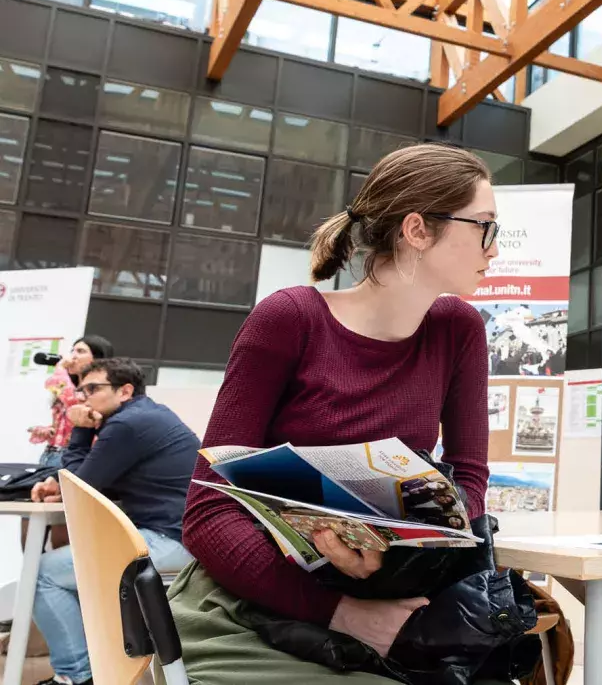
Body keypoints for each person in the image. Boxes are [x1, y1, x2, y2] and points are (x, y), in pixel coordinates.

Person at [169, 143, 508, 684]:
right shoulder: (290, 319)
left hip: (384, 598)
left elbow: (469, 478)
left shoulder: (458, 329)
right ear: (417, 230)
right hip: (250, 605)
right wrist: (343, 613)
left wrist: (402, 547)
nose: (495, 246)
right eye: (485, 226)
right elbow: (207, 512)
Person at [29, 358, 198, 685]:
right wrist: (58, 484)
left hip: (172, 542)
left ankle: (77, 677)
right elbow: (93, 480)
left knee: (43, 573)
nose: (84, 399)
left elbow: (79, 485)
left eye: (93, 389)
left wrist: (80, 430)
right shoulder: (147, 416)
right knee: (68, 570)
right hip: (182, 537)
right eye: (81, 391)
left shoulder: (126, 425)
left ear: (125, 391)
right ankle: (96, 669)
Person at [26, 335, 114, 468]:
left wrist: (60, 368)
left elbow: (73, 402)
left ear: (98, 359)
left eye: (80, 351)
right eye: (72, 351)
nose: (73, 356)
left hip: (75, 457)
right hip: (52, 454)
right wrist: (50, 431)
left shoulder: (98, 389)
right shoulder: (71, 386)